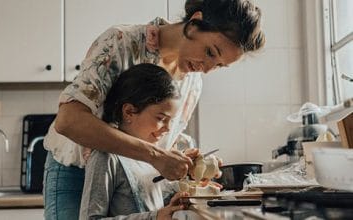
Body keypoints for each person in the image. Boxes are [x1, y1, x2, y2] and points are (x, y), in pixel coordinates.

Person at [43, 0, 265, 219]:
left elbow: (155, 144)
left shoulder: (192, 84)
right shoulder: (121, 42)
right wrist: (157, 156)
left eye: (218, 65)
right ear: (195, 22)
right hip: (75, 172)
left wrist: (182, 162)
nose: (206, 69)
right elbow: (69, 121)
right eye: (210, 52)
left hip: (132, 182)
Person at [80, 63, 190, 220]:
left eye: (171, 121)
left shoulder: (151, 158)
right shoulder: (106, 158)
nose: (167, 128)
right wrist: (155, 217)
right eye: (161, 119)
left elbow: (151, 205)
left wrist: (173, 202)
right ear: (129, 112)